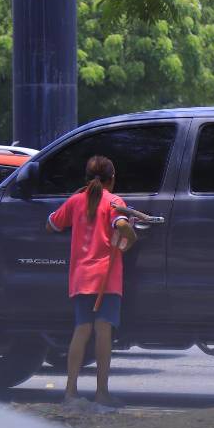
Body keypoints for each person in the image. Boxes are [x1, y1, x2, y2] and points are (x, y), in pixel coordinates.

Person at [47, 155, 136, 411]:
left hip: (81, 277)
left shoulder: (75, 201)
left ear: (86, 178)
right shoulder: (114, 202)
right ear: (112, 179)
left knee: (82, 330)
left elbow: (51, 224)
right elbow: (121, 224)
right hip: (107, 278)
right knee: (103, 332)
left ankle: (70, 392)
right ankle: (101, 393)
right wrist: (130, 239)